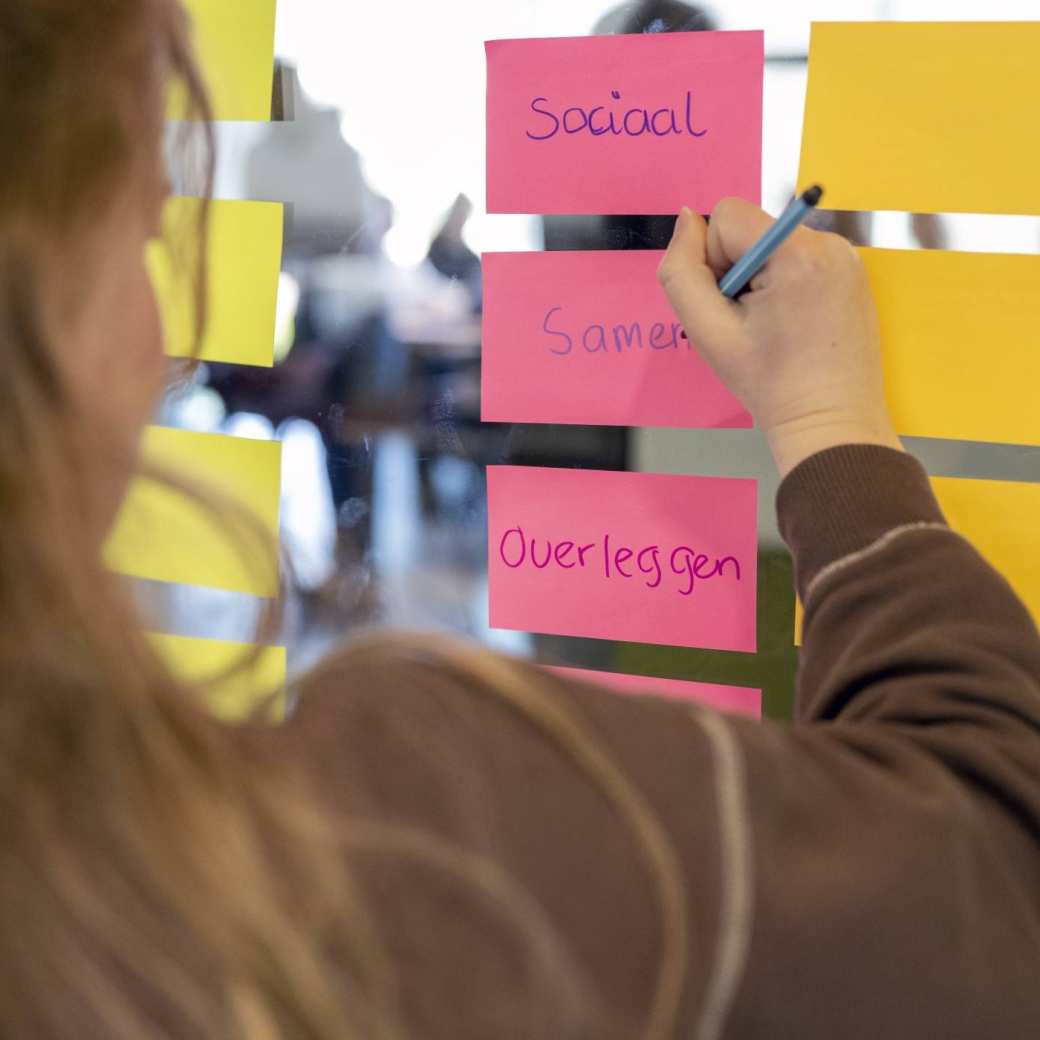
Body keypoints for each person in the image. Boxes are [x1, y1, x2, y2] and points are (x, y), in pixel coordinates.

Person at [1, 3, 1038, 1039]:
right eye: (148, 233)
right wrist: (830, 421)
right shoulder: (422, 828)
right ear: (39, 300)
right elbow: (993, 876)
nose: (176, 349)